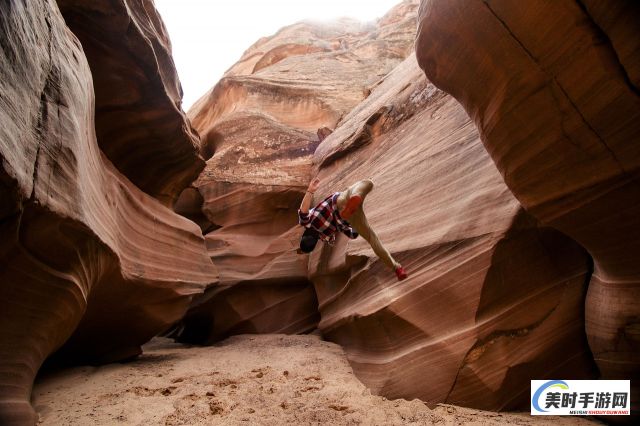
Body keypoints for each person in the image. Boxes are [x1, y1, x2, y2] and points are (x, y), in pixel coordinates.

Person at [297, 177, 408, 281]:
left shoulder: (327, 236)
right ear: (305, 234)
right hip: (339, 201)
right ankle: (355, 197)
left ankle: (397, 268)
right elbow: (303, 209)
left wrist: (355, 230)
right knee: (368, 183)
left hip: (350, 218)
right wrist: (310, 191)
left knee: (372, 239)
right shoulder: (307, 222)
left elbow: (350, 234)